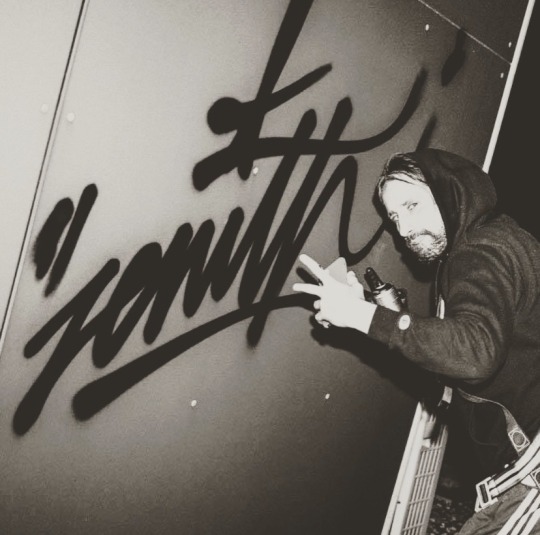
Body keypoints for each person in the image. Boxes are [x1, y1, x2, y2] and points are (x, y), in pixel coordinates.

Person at [292, 149, 540, 534]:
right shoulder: (500, 239)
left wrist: (361, 315)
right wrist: (368, 314)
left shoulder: (478, 252)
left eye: (412, 206)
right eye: (395, 217)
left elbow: (475, 355)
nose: (404, 229)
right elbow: (462, 375)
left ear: (451, 193)